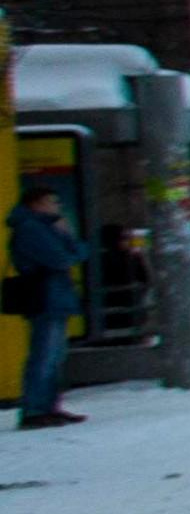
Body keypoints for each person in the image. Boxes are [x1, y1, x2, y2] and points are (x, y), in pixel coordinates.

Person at [12, 181, 88, 430]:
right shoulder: (31, 228)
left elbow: (73, 254)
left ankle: (48, 407)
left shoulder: (42, 227)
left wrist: (68, 243)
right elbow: (62, 258)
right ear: (37, 205)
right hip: (46, 297)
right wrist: (66, 236)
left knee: (54, 356)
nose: (58, 207)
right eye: (52, 202)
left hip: (54, 297)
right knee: (44, 355)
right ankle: (35, 409)